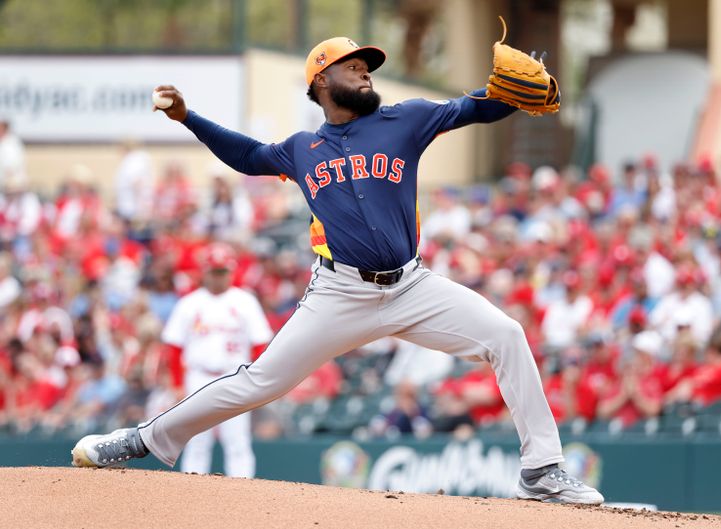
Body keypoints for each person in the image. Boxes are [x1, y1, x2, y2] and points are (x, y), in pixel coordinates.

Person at [71, 35, 603, 504]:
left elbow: (473, 109)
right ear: (321, 80)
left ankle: (541, 469)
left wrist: (506, 98)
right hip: (339, 293)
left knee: (506, 334)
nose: (365, 71)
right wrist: (189, 118)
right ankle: (141, 440)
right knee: (258, 381)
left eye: (367, 65)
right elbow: (248, 155)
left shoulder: (405, 119)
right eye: (353, 65)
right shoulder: (303, 149)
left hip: (412, 285)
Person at [160, 242, 272, 478]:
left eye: (223, 272)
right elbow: (174, 347)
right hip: (199, 376)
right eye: (215, 272)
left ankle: (242, 492)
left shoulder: (244, 301)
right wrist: (177, 383)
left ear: (231, 272)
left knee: (237, 441)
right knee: (197, 440)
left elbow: (261, 344)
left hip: (235, 375)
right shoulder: (190, 303)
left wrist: (255, 379)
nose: (219, 277)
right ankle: (192, 492)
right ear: (205, 272)